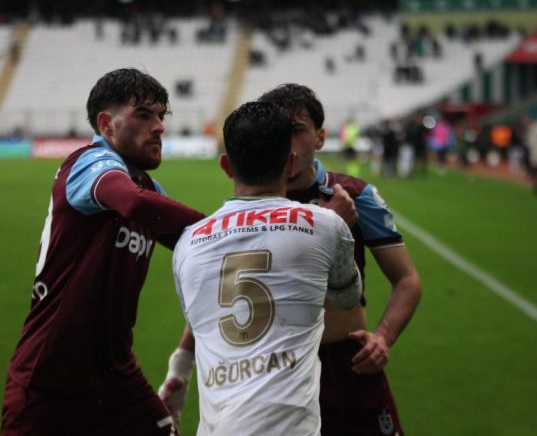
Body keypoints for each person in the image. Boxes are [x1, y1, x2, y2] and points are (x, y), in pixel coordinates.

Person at [160, 84, 422, 436]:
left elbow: (406, 279)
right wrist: (181, 362)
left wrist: (383, 337)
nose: (290, 143)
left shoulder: (355, 195)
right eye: (281, 133)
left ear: (320, 137)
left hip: (346, 363)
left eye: (297, 130)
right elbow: (223, 293)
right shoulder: (252, 204)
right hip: (272, 370)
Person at [1, 68, 206, 436]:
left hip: (116, 378)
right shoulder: (88, 163)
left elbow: (199, 244)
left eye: (161, 116)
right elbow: (131, 202)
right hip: (49, 380)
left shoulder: (150, 190)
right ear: (106, 124)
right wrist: (222, 227)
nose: (159, 126)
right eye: (144, 115)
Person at [172, 101, 362, 435]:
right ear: (289, 163)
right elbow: (348, 299)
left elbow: (197, 321)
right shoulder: (326, 225)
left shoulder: (187, 243)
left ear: (226, 166)